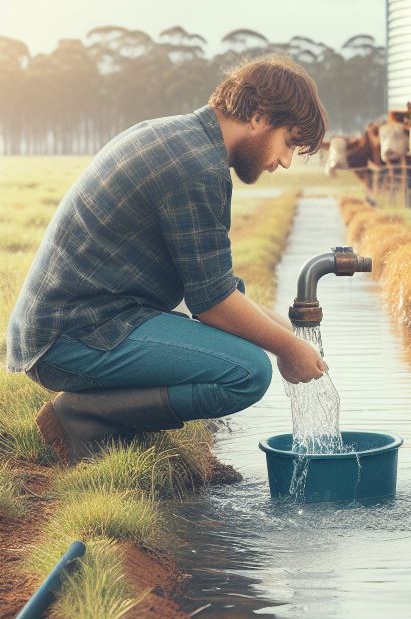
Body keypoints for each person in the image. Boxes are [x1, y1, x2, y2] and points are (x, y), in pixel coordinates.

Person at [5, 55, 330, 461]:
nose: (284, 160)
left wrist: (290, 335)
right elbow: (213, 306)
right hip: (72, 340)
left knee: (242, 347)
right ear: (260, 116)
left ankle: (109, 422)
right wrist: (287, 350)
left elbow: (215, 287)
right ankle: (83, 417)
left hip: (84, 324)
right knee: (248, 373)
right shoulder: (194, 166)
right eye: (289, 142)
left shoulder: (184, 141)